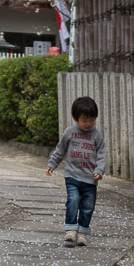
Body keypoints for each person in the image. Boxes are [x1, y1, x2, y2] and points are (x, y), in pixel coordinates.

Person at [46, 95, 106, 247]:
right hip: (72, 175)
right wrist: (52, 164)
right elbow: (60, 150)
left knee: (88, 207)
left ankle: (83, 232)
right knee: (73, 201)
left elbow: (102, 155)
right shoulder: (70, 132)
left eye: (92, 120)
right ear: (75, 118)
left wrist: (99, 170)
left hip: (90, 179)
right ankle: (71, 230)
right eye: (84, 120)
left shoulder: (97, 136)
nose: (88, 124)